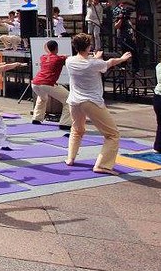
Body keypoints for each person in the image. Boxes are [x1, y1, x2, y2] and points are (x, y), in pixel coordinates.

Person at [65, 33, 132, 174]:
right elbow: (110, 62)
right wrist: (122, 58)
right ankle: (103, 165)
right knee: (112, 134)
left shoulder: (70, 61)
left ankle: (70, 158)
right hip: (91, 102)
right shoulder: (94, 63)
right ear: (88, 47)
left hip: (74, 101)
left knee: (76, 130)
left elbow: (90, 63)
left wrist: (95, 58)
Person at [30, 40, 72, 129]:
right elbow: (70, 58)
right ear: (57, 48)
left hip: (35, 83)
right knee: (69, 99)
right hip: (47, 83)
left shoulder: (43, 57)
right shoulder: (60, 58)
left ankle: (36, 118)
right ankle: (65, 123)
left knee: (42, 97)